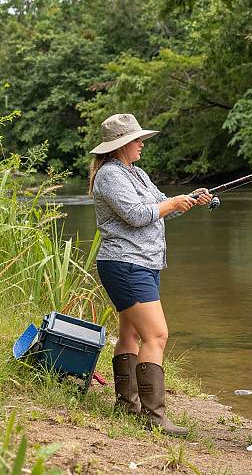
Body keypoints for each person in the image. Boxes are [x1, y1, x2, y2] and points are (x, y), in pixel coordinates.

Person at [89, 113, 212, 436]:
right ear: (120, 146)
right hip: (126, 264)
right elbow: (137, 215)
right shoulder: (110, 176)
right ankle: (153, 417)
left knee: (130, 335)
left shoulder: (137, 173)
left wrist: (188, 200)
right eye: (137, 140)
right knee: (156, 335)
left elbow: (159, 207)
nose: (142, 144)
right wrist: (170, 204)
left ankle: (128, 406)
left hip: (142, 263)